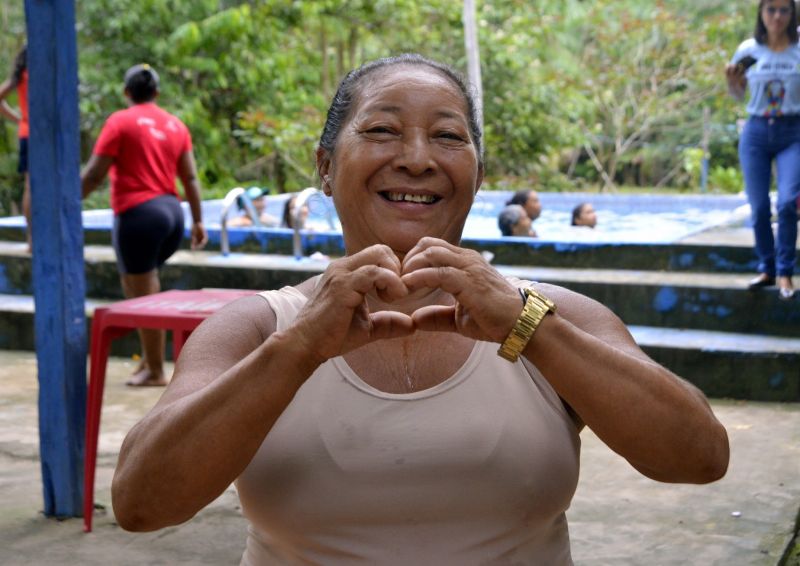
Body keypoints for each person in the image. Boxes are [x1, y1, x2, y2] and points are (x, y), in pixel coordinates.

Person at [111, 54, 729, 563]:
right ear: (325, 166)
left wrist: (528, 328)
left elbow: (699, 457)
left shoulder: (548, 315)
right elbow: (141, 503)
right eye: (382, 130)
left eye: (448, 136)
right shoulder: (256, 328)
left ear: (477, 175)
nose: (415, 158)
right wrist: (298, 348)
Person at [81, 64, 208, 386]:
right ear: (156, 93)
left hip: (139, 216)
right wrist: (197, 221)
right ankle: (148, 362)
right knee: (136, 285)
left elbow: (94, 174)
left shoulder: (119, 121)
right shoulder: (175, 125)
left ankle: (155, 369)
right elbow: (190, 177)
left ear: (127, 92)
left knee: (142, 290)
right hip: (171, 214)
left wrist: (67, 203)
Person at [726, 0, 800, 300]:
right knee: (758, 207)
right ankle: (767, 268)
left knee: (787, 203)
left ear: (792, 14)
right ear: (761, 13)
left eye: (784, 10)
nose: (777, 16)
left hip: (793, 130)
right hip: (756, 131)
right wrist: (733, 83)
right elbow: (737, 95)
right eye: (771, 9)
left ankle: (785, 272)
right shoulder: (748, 50)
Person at [0, 46, 30, 251]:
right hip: (41, 134)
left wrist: (19, 118)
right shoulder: (46, 74)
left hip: (27, 132)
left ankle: (31, 240)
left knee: (30, 186)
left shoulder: (20, 76)